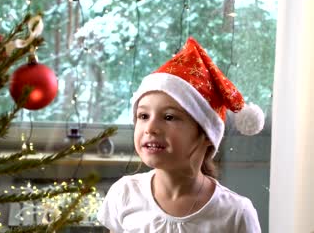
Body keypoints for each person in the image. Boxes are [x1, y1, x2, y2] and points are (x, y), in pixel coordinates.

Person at [97, 37, 264, 233]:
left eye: (169, 117)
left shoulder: (235, 214)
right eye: (143, 115)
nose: (150, 128)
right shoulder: (124, 193)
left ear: (206, 135)